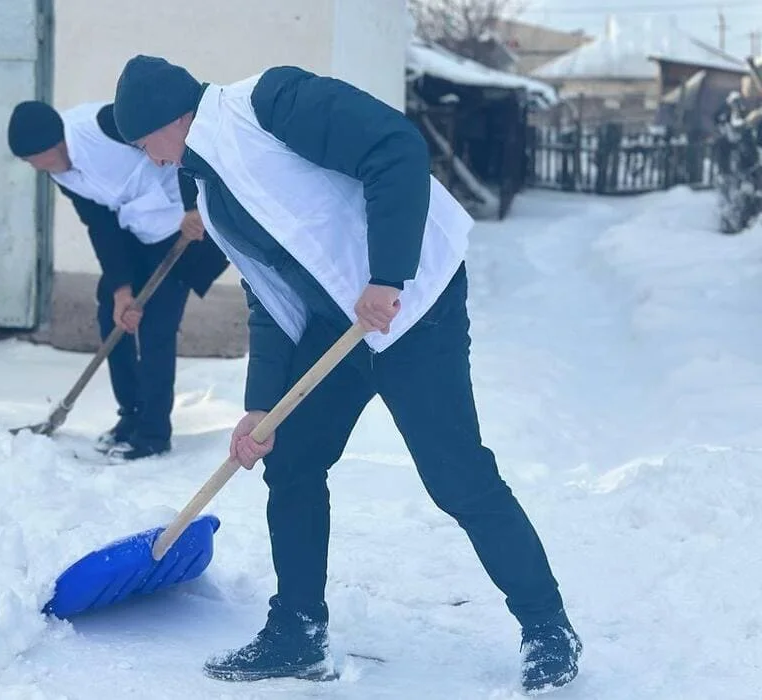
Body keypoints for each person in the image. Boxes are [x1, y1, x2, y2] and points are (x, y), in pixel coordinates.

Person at [111, 56, 582, 693]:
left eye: (145, 144)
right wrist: (261, 408)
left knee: (457, 476)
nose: (151, 159)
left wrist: (388, 274)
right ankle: (296, 632)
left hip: (412, 309)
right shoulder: (207, 189)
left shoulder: (270, 103)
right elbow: (269, 296)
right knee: (293, 459)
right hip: (338, 325)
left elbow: (395, 148)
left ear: (172, 119)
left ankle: (547, 626)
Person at [7, 99, 228, 460]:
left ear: (55, 141)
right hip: (135, 235)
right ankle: (131, 416)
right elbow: (101, 224)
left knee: (157, 328)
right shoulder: (60, 173)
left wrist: (194, 206)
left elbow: (183, 139)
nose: (37, 169)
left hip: (184, 231)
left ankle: (154, 433)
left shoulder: (106, 124)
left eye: (37, 159)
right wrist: (121, 291)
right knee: (112, 315)